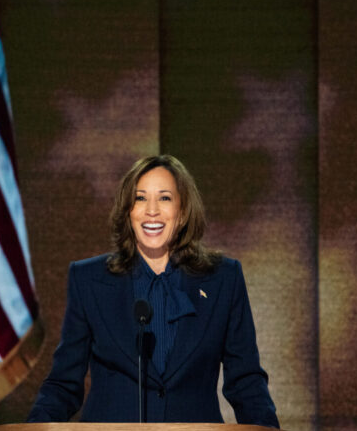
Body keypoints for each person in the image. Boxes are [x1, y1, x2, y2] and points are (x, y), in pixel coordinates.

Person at [27, 155, 279, 427]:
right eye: (140, 198)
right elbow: (65, 383)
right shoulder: (89, 279)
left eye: (165, 198)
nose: (152, 210)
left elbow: (245, 382)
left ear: (182, 213)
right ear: (127, 211)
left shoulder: (223, 279)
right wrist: (35, 426)